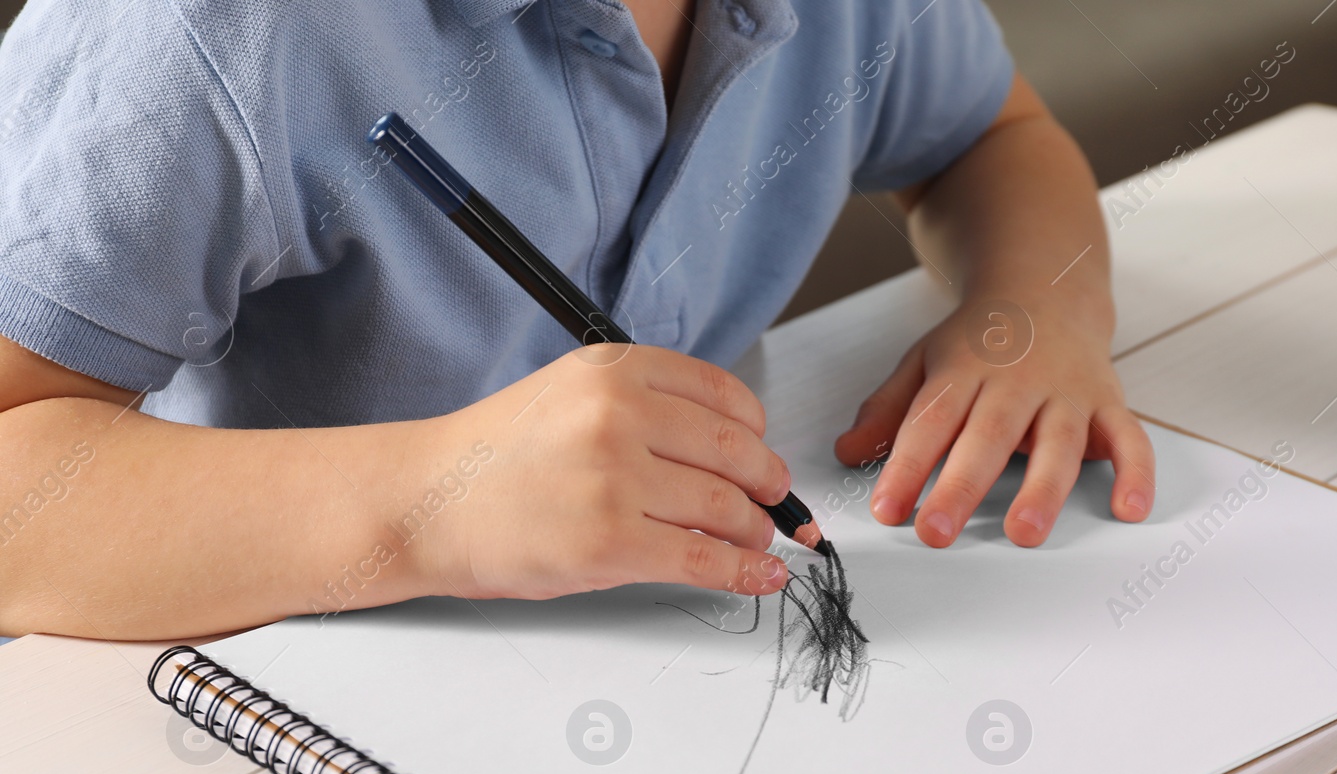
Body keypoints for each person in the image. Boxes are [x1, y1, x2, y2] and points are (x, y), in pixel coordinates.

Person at [0, 0, 1154, 640]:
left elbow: (987, 138)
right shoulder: (205, 34)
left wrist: (1035, 307)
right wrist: (434, 497)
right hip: (264, 707)